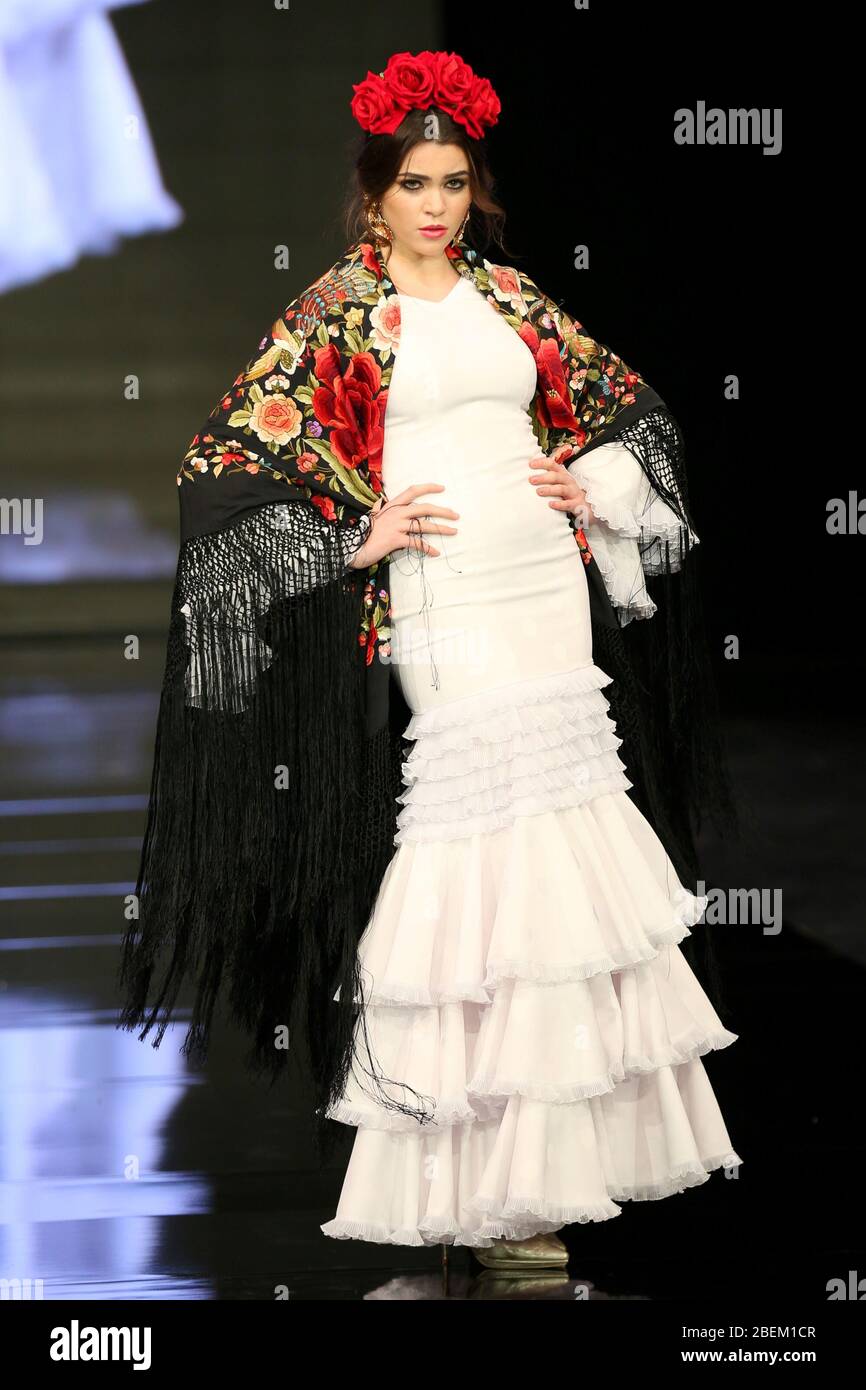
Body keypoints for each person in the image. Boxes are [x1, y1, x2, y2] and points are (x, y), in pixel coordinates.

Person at [117, 49, 743, 1268]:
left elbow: (635, 411)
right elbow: (222, 469)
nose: (438, 202)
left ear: (475, 190)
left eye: (455, 181)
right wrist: (360, 533)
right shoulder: (334, 313)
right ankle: (460, 1168)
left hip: (538, 585)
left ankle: (554, 1183)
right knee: (467, 854)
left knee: (561, 851)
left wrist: (594, 480)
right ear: (374, 194)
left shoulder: (511, 299)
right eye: (415, 182)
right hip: (442, 592)